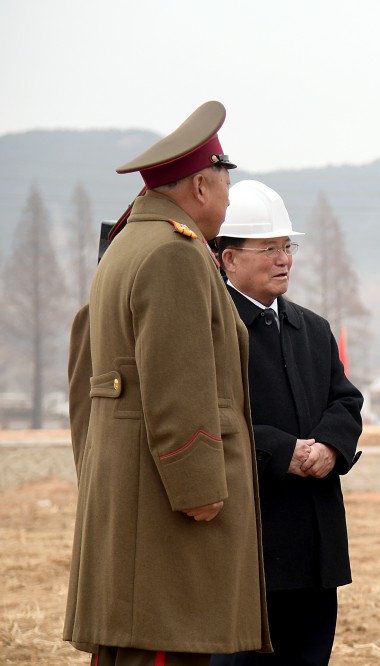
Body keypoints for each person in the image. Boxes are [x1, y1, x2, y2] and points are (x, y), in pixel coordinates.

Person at [64, 101, 270, 665]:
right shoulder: (174, 254)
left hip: (133, 496)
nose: (229, 196)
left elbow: (90, 377)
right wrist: (198, 485)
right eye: (226, 182)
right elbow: (178, 383)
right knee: (162, 651)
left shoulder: (130, 244)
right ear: (202, 185)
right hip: (164, 514)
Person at [209, 180, 364, 666]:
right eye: (268, 248)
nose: (283, 259)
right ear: (227, 259)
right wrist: (283, 452)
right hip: (250, 543)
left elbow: (346, 400)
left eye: (286, 246)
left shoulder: (311, 328)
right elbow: (211, 418)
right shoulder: (211, 329)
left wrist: (331, 448)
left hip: (316, 544)